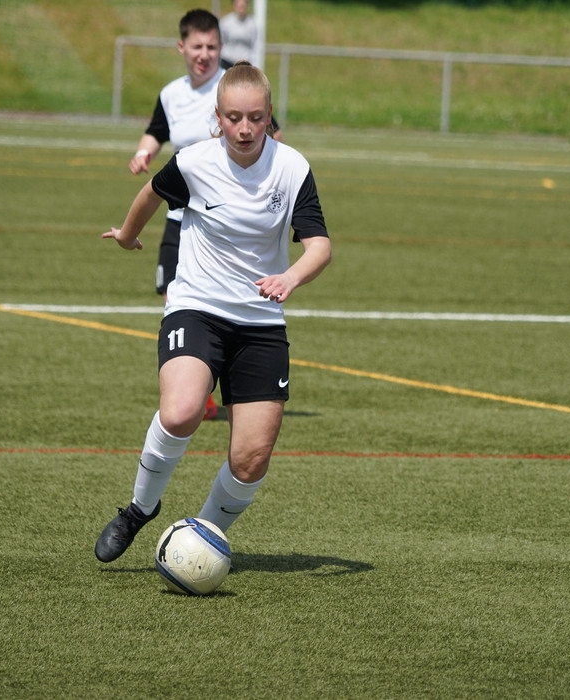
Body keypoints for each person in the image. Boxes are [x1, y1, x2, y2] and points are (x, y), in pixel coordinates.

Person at [95, 61, 332, 564]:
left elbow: (319, 246)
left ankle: (201, 534)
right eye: (233, 118)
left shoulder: (292, 168)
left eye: (255, 117)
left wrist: (291, 277)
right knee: (181, 412)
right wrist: (128, 235)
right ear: (217, 118)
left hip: (261, 324)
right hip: (196, 308)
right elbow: (151, 195)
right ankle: (138, 510)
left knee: (251, 459)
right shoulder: (194, 161)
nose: (244, 129)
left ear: (270, 117)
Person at [128, 8, 280, 420]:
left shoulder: (234, 86)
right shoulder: (171, 94)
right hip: (182, 216)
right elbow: (157, 132)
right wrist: (144, 153)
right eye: (197, 46)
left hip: (228, 222)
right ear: (182, 47)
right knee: (172, 293)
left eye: (212, 46)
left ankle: (227, 380)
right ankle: (193, 378)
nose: (205, 54)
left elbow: (273, 133)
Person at [219, 0, 258, 66]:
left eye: (243, 6)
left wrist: (255, 63)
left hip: (244, 63)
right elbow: (221, 41)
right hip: (228, 61)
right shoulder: (226, 22)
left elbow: (255, 45)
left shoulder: (252, 24)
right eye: (239, 6)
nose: (241, 9)